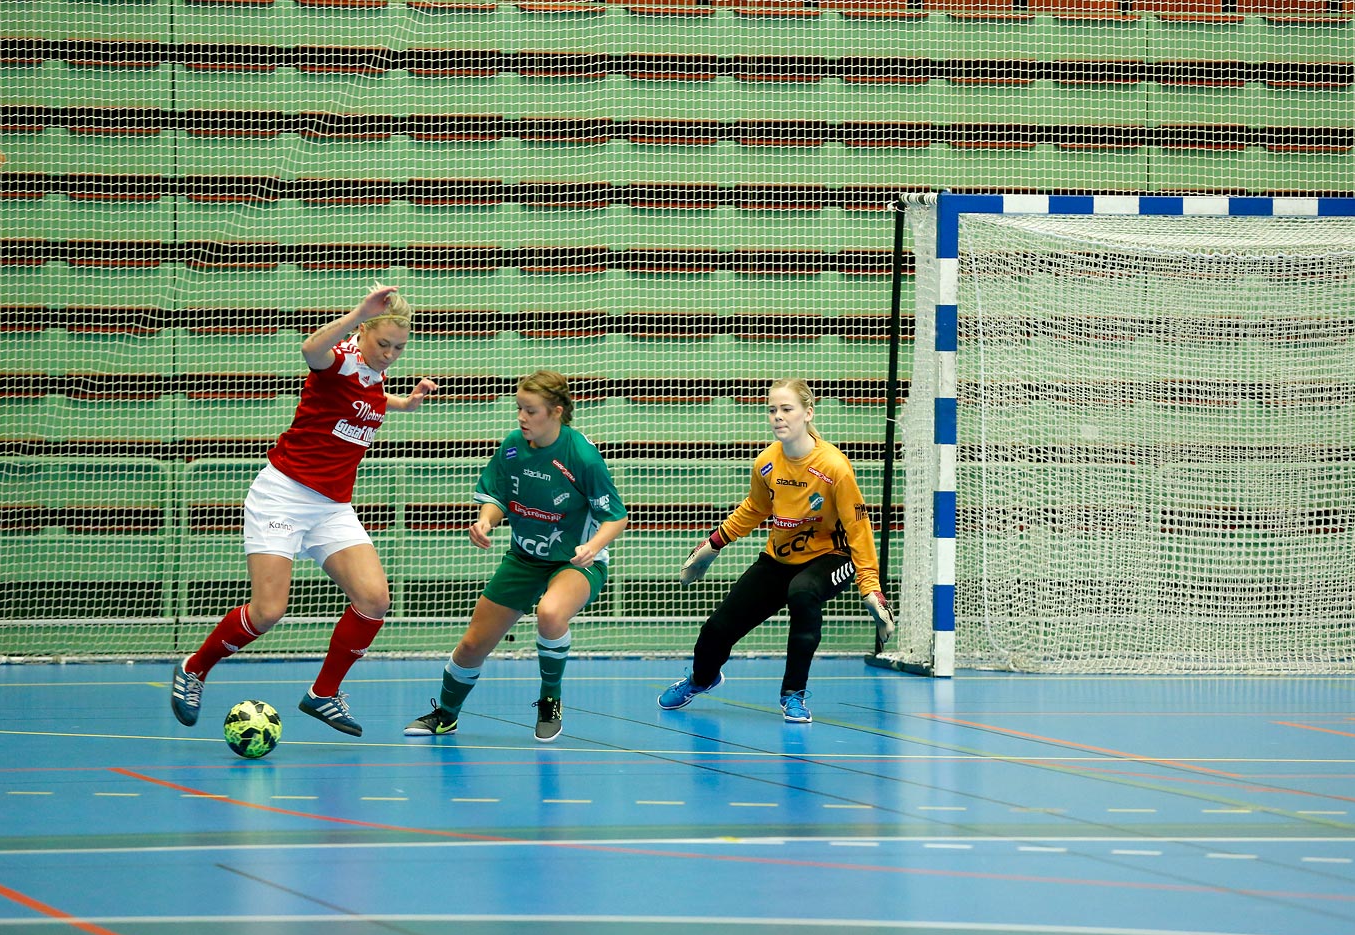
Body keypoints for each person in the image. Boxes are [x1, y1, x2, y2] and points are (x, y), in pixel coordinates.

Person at [170, 285, 438, 737]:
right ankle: (194, 668)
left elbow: (367, 400)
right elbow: (310, 349)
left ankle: (323, 693)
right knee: (268, 611)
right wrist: (358, 311)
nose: (391, 354)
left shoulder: (375, 375)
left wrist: (405, 403)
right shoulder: (338, 361)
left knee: (375, 599)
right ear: (363, 333)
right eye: (383, 344)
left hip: (331, 507)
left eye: (399, 347)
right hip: (283, 496)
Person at [403, 370, 628, 742]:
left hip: (573, 561)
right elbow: (497, 497)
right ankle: (446, 714)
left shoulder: (581, 455)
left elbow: (616, 516)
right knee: (474, 644)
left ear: (557, 412)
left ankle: (550, 701)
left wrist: (592, 545)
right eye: (519, 409)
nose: (522, 417)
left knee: (551, 614)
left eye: (531, 410)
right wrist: (485, 522)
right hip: (524, 557)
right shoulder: (512, 446)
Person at [658, 377, 895, 724]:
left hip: (830, 557)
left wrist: (870, 586)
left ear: (808, 412)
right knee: (717, 629)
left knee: (802, 593)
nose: (778, 416)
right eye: (772, 410)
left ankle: (793, 695)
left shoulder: (834, 468)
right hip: (778, 559)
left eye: (787, 409)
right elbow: (755, 508)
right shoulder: (767, 463)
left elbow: (859, 530)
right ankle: (701, 679)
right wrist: (713, 544)